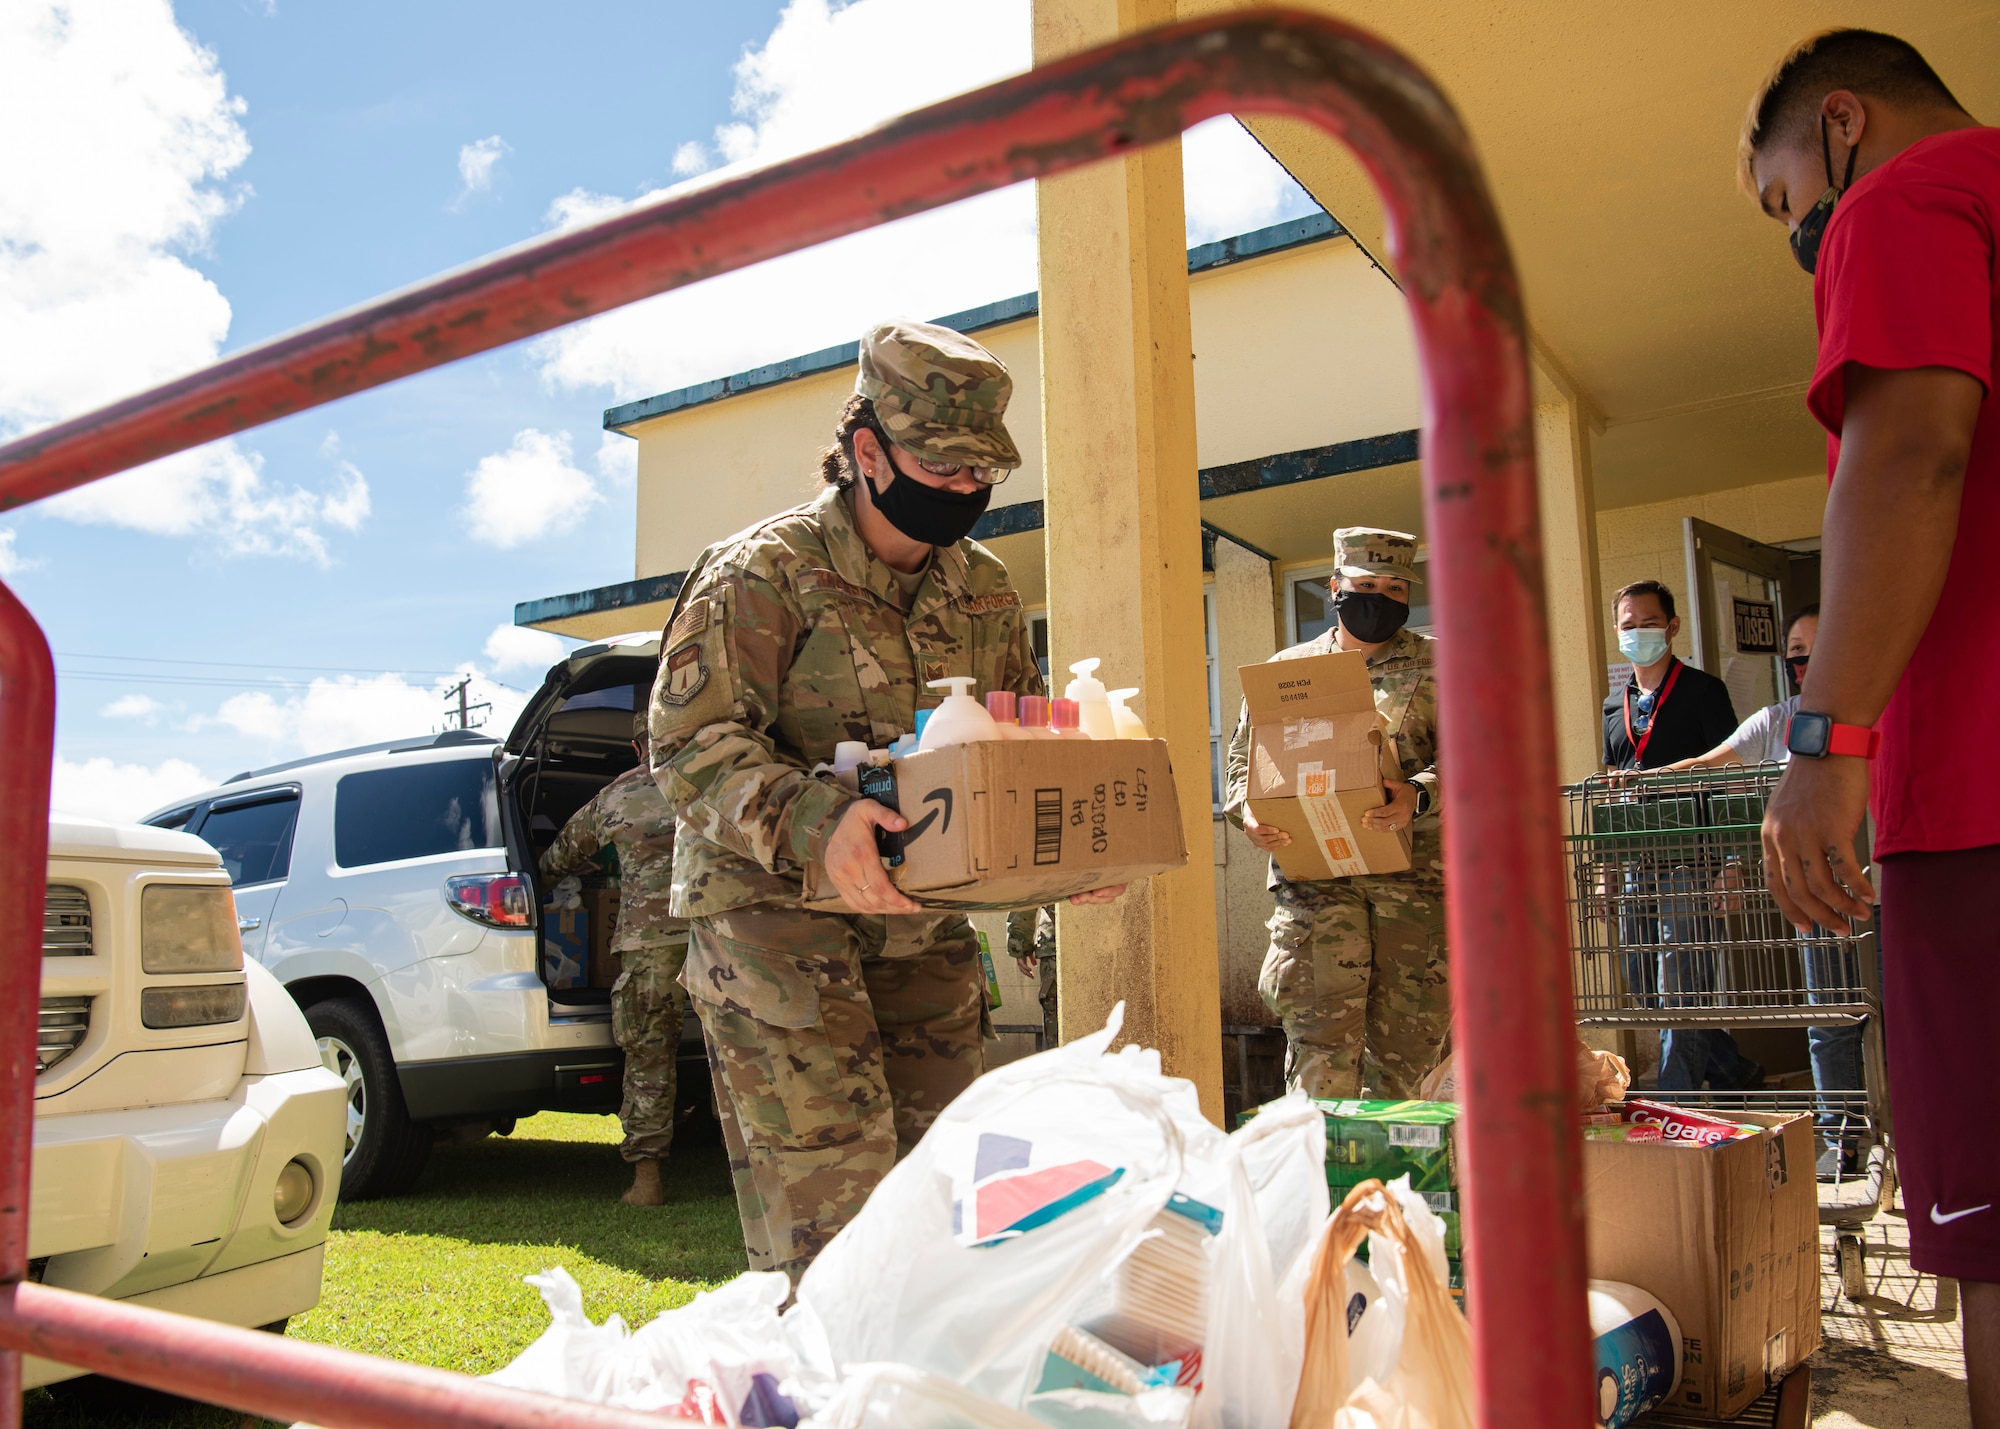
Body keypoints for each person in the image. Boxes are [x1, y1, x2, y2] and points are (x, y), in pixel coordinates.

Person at [646, 320, 1123, 1284]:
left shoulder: (983, 590)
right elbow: (688, 744)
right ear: (867, 449)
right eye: (940, 466)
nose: (963, 491)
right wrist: (819, 825)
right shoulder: (760, 572)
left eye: (979, 474)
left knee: (942, 1209)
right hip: (774, 933)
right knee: (835, 1233)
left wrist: (1063, 860)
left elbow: (1009, 743)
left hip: (920, 932)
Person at [1740, 28, 1998, 1418]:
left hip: (1979, 797)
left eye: (1788, 200)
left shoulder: (1909, 198)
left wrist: (1827, 741)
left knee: (1993, 1232)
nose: (1802, 234)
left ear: (1842, 122)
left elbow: (1910, 453)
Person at [1223, 527, 1444, 1099]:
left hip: (1414, 893)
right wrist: (1247, 813)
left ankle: (1397, 1188)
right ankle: (1320, 1185)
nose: (1380, 597)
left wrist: (1417, 792)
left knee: (1404, 1060)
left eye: (1395, 587)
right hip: (1317, 890)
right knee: (1320, 1059)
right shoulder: (1287, 671)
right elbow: (1245, 763)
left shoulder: (1444, 665)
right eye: (1365, 584)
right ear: (1335, 587)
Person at [1663, 606, 1867, 1173]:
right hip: (1818, 895)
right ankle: (1843, 1140)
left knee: (1893, 1012)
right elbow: (1710, 763)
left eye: (1815, 649)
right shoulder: (1778, 720)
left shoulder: (1882, 709)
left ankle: (1908, 1129)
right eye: (1795, 650)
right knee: (1829, 1014)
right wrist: (1640, 781)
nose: (1803, 661)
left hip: (1880, 879)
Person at [1601, 580, 1760, 1093]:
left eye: (1649, 623)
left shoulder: (1702, 691)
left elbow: (1730, 775)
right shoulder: (1614, 704)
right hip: (1634, 866)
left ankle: (1679, 1096)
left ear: (1671, 627)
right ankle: (1736, 1071)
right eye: (1629, 626)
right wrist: (1606, 866)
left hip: (1691, 860)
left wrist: (1733, 861)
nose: (1639, 633)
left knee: (1683, 987)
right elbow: (1609, 789)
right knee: (1646, 987)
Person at [540, 713, 687, 1208]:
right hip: (722, 933)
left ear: (634, 745)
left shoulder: (618, 797)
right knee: (742, 1053)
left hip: (651, 947)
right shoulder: (710, 780)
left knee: (650, 1057)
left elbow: (560, 856)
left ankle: (647, 1182)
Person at [1006, 904, 1057, 1047]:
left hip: (1056, 946)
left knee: (1058, 1021)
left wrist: (1019, 945)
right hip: (1112, 940)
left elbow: (1027, 893)